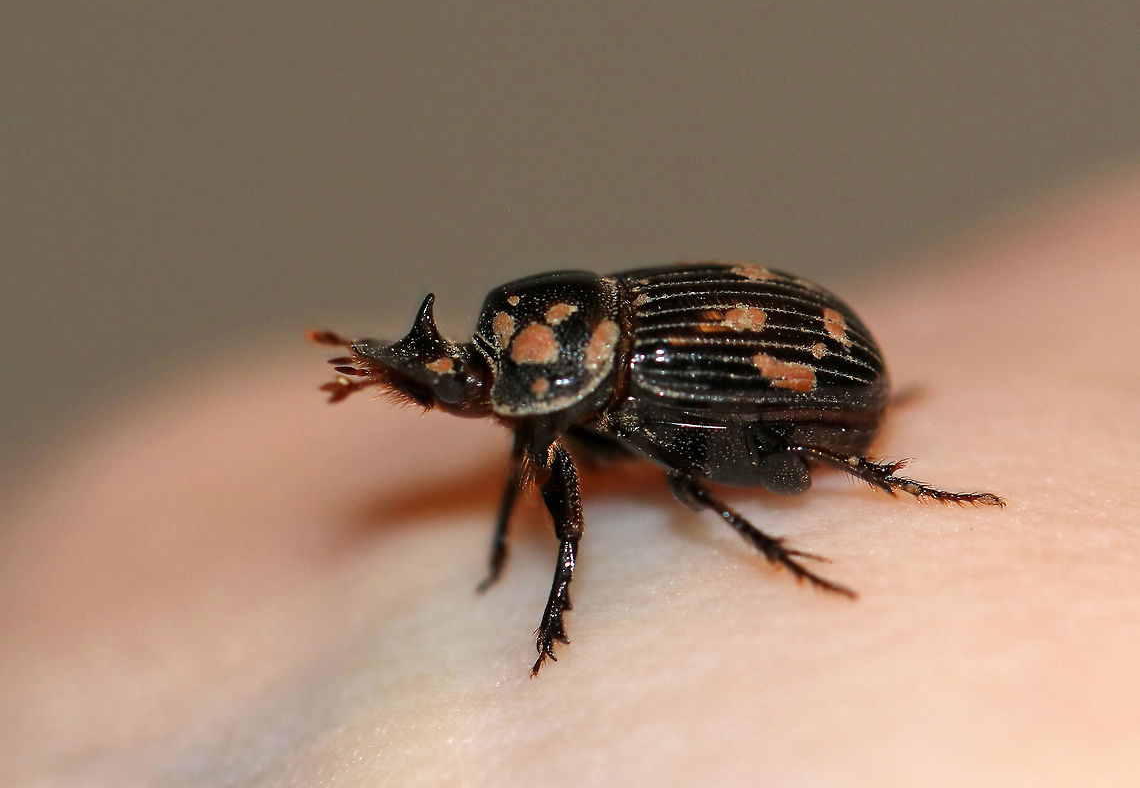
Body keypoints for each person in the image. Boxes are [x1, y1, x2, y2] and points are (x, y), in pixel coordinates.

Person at [3, 182, 1138, 786]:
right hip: (727, 362)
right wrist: (510, 529)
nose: (471, 389)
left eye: (482, 379)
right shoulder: (566, 378)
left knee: (713, 478)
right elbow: (530, 454)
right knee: (615, 465)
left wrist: (549, 581)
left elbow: (597, 489)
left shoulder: (625, 375)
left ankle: (858, 504)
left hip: (817, 382)